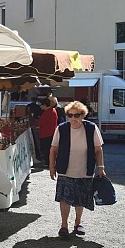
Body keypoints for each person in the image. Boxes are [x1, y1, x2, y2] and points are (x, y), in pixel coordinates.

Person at [50, 101, 105, 238]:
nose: (73, 118)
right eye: (70, 115)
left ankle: (78, 223)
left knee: (80, 199)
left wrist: (101, 168)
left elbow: (98, 150)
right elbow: (53, 149)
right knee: (64, 198)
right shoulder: (61, 128)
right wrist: (51, 167)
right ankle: (64, 225)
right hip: (65, 169)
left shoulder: (91, 128)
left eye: (77, 115)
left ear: (83, 115)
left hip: (84, 169)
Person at [38, 98, 58, 168]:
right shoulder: (53, 110)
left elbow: (40, 122)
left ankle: (48, 162)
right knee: (49, 149)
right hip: (51, 133)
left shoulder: (48, 112)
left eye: (41, 105)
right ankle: (50, 162)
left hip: (46, 134)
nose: (40, 107)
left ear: (45, 105)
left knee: (46, 149)